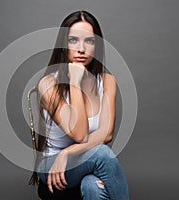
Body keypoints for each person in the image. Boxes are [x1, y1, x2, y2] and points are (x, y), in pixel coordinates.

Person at [33, 10, 129, 200]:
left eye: (89, 41)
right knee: (102, 154)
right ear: (63, 45)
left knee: (92, 186)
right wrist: (75, 82)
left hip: (77, 159)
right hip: (52, 165)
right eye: (73, 40)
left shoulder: (107, 81)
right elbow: (79, 134)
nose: (82, 49)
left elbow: (106, 133)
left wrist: (68, 152)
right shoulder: (48, 84)